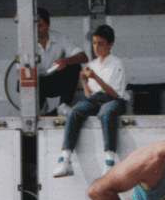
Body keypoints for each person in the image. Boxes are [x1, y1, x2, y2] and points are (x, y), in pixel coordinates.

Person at [53, 24, 128, 178]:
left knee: (107, 113)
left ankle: (109, 163)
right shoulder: (92, 65)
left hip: (113, 99)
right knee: (75, 110)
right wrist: (85, 81)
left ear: (110, 44)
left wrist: (95, 77)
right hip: (96, 99)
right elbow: (89, 95)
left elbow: (115, 93)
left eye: (100, 43)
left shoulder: (117, 63)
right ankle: (65, 159)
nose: (96, 47)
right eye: (94, 43)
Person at [36, 7, 88, 116]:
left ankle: (63, 106)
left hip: (55, 82)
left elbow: (83, 57)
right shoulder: (26, 43)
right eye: (33, 26)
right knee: (24, 79)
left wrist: (65, 60)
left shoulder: (61, 38)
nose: (36, 29)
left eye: (40, 25)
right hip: (36, 85)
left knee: (74, 67)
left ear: (48, 25)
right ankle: (40, 107)